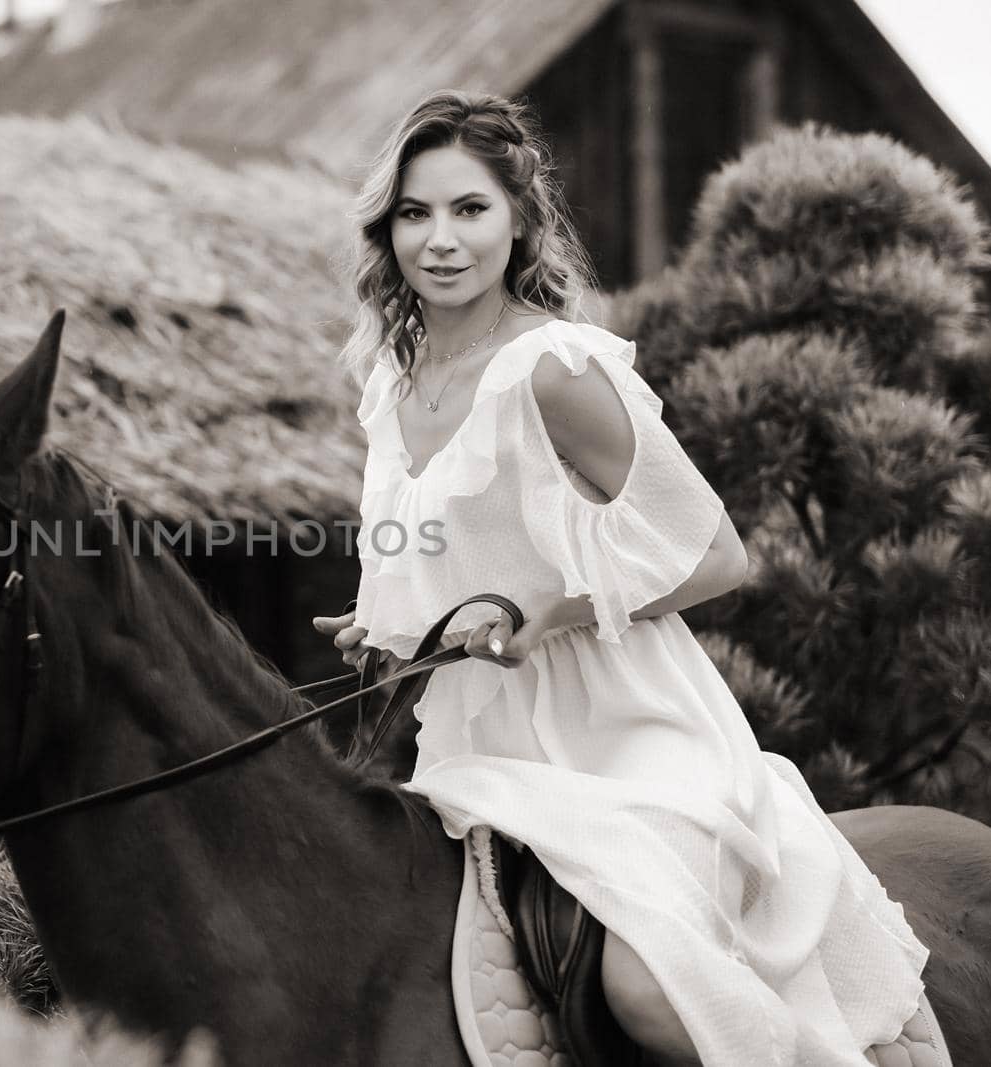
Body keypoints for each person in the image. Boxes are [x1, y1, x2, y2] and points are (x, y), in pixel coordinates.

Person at [311, 91, 928, 1066]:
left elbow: (713, 551)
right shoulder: (391, 384)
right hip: (475, 741)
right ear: (383, 230)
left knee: (642, 985)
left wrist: (548, 607)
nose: (439, 239)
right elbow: (450, 568)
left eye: (468, 208)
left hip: (623, 729)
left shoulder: (550, 367)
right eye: (413, 213)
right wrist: (385, 623)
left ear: (518, 219)